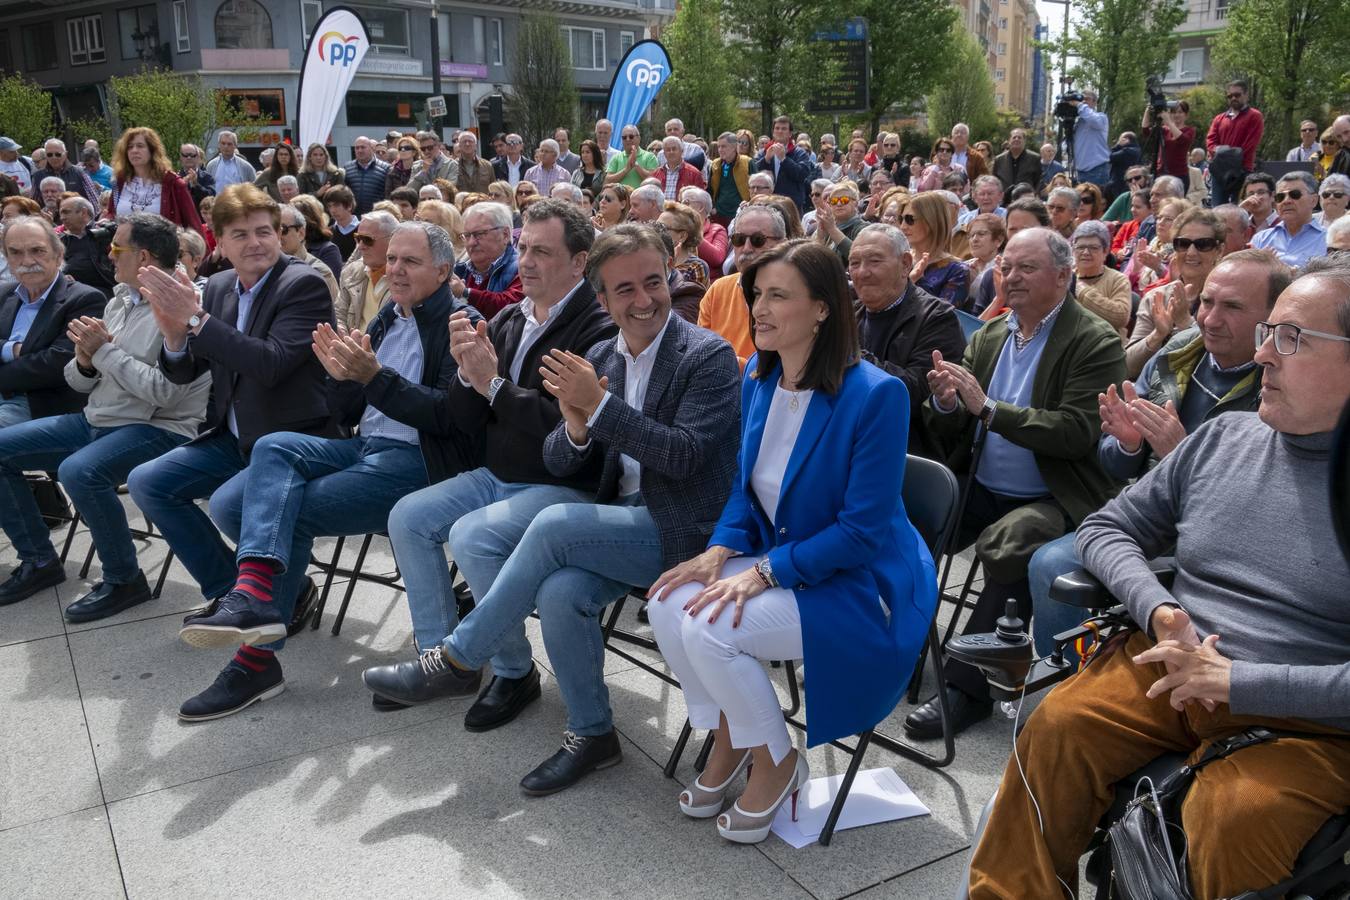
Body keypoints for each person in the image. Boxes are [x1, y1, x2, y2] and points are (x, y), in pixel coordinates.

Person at [968, 262, 1350, 900]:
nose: (1262, 353)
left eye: (1289, 338)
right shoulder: (1224, 438)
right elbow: (1104, 529)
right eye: (1269, 332)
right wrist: (1160, 610)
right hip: (1174, 661)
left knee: (1237, 816)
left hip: (1307, 712)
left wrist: (1239, 680)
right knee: (1057, 730)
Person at [362, 224, 740, 789]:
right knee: (561, 593)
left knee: (553, 523)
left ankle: (457, 658)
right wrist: (577, 426)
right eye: (625, 290)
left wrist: (600, 408)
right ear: (605, 299)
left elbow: (684, 458)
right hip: (622, 519)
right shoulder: (598, 355)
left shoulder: (705, 355)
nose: (644, 301)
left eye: (654, 283)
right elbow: (564, 460)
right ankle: (592, 733)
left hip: (686, 530)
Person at [649, 238, 937, 843]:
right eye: (756, 295)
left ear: (824, 308)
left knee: (709, 627)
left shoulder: (877, 394)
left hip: (859, 583)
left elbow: (862, 532)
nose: (758, 308)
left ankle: (777, 761)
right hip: (792, 555)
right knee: (666, 601)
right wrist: (721, 549)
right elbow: (743, 487)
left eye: (778, 295)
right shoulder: (759, 377)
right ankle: (734, 734)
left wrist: (764, 573)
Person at [179, 221, 482, 717]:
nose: (395, 269)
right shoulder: (388, 317)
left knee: (285, 512)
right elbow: (348, 409)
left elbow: (450, 418)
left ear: (444, 270)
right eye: (393, 258)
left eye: (411, 261)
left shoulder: (458, 323)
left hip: (419, 462)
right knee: (244, 485)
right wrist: (343, 378)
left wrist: (373, 377)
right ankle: (259, 590)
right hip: (365, 447)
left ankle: (256, 660)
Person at [373, 200, 615, 726]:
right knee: (408, 517)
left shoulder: (597, 330)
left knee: (473, 537)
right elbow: (463, 417)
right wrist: (466, 374)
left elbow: (569, 428)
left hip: (561, 484)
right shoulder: (510, 316)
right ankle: (441, 658)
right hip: (498, 475)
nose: (525, 261)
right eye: (523, 248)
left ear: (579, 262)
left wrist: (493, 385)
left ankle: (509, 670)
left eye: (541, 252)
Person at [123, 184, 335, 715]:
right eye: (241, 234)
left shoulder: (303, 283)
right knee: (151, 482)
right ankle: (235, 593)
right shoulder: (216, 286)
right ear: (220, 240)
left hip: (294, 439)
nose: (257, 242)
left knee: (229, 505)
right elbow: (186, 370)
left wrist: (194, 322)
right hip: (232, 435)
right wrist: (175, 335)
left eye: (266, 231)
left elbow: (270, 363)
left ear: (281, 234)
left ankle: (256, 641)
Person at [908, 228, 1126, 739]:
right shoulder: (989, 335)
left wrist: (988, 409)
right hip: (982, 483)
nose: (1012, 277)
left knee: (1014, 543)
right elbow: (954, 424)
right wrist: (944, 400)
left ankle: (968, 689)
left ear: (1064, 276)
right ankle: (889, 649)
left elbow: (1077, 432)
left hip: (1055, 493)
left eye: (1027, 268)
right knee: (904, 525)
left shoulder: (1093, 340)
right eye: (1007, 266)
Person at [1028, 249, 1285, 657]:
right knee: (1049, 565)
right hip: (1149, 518)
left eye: (1232, 307)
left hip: (1218, 545)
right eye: (1206, 301)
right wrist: (1129, 443)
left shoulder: (1281, 383)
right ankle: (1065, 682)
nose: (1210, 319)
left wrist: (1180, 456)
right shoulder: (1177, 353)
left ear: (1275, 317)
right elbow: (1113, 463)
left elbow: (1264, 508)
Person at [0, 213, 210, 615]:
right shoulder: (121, 298)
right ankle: (40, 561)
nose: (108, 256)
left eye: (116, 248)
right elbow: (80, 385)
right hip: (99, 419)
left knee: (80, 471)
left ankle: (124, 579)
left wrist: (105, 353)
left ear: (144, 256)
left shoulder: (183, 305)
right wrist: (84, 361)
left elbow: (164, 393)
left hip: (158, 428)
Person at [849, 223, 966, 457]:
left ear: (905, 264)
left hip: (904, 452)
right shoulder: (849, 314)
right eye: (854, 263)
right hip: (851, 441)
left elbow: (915, 394)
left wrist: (850, 354)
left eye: (874, 261)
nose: (862, 272)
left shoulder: (937, 318)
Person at [1125, 205, 1228, 377]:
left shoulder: (1228, 299)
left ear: (1219, 250)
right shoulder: (1156, 298)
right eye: (1183, 244)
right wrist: (1158, 335)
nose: (1191, 252)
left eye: (1203, 245)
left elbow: (1226, 361)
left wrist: (1185, 324)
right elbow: (1128, 366)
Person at [698, 205, 786, 367]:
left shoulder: (791, 295)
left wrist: (736, 365)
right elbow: (702, 349)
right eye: (738, 239)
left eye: (757, 240)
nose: (746, 248)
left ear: (782, 244)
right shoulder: (719, 289)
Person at [449, 201, 523, 318]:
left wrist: (465, 293)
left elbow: (512, 308)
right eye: (467, 235)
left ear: (505, 234)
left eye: (480, 234)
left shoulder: (523, 268)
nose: (472, 243)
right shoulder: (459, 270)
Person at [901, 191, 971, 308]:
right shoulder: (899, 259)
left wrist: (913, 284)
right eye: (901, 219)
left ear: (931, 221)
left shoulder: (957, 271)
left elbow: (942, 316)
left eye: (910, 219)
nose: (903, 226)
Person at [1205, 79, 1265, 206]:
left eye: (1237, 95)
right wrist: (1222, 152)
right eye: (1230, 96)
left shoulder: (1254, 116)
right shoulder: (1219, 118)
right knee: (1218, 211)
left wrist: (1222, 153)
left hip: (1242, 170)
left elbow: (1250, 144)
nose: (1233, 98)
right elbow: (1210, 141)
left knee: (1242, 210)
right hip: (1220, 172)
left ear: (1246, 95)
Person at [334, 210, 396, 331]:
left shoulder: (406, 278)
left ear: (391, 240)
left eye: (367, 240)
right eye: (358, 238)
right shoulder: (351, 272)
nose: (360, 246)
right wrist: (342, 333)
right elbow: (338, 313)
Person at [1251, 171, 1327, 267]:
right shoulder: (1261, 239)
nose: (1286, 201)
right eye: (1280, 197)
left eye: (1295, 194)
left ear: (1314, 200)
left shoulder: (1328, 240)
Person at [1070, 220, 1131, 338]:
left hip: (1105, 344)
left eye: (1093, 248)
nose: (1086, 252)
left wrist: (1080, 289)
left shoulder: (1118, 279)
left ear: (1105, 252)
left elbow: (1120, 317)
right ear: (1073, 250)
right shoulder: (1063, 278)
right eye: (1081, 247)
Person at [278, 204, 338, 301]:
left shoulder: (318, 273)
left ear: (301, 233)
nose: (277, 236)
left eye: (283, 230)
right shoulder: (262, 270)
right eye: (270, 230)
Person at [58, 196, 115, 297]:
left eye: (66, 212)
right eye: (61, 213)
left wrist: (112, 229)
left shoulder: (105, 234)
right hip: (70, 294)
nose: (62, 217)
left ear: (83, 212)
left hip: (107, 293)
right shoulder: (59, 240)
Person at [753, 116, 813, 212]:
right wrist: (766, 159)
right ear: (773, 132)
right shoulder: (763, 152)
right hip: (766, 203)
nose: (780, 131)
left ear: (790, 134)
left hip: (791, 205)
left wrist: (784, 159)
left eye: (784, 129)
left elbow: (802, 174)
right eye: (777, 128)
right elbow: (753, 172)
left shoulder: (799, 153)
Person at [30, 139, 101, 210]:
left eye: (58, 154)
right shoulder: (37, 176)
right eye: (49, 155)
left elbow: (94, 202)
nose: (54, 157)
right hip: (48, 218)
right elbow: (33, 205)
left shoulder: (79, 173)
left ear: (65, 154)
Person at [660, 201, 712, 288]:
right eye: (655, 224)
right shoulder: (652, 258)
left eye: (663, 227)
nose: (655, 230)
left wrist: (670, 270)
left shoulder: (696, 266)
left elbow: (690, 300)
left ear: (682, 236)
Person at [1142, 100, 1195, 180]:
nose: (1176, 115)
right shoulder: (1164, 129)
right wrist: (1147, 111)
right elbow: (1146, 132)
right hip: (1161, 173)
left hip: (1179, 174)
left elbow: (1181, 139)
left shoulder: (1189, 130)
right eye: (1173, 112)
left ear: (1186, 115)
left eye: (1180, 112)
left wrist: (1169, 122)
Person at [993, 130, 1042, 205]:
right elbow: (995, 180)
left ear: (1024, 141)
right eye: (1014, 137)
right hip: (1004, 201)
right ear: (1009, 141)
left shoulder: (1034, 158)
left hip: (1026, 201)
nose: (1016, 139)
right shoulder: (999, 159)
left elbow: (1039, 179)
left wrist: (1035, 194)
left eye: (1019, 137)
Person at [344, 136, 390, 215]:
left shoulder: (385, 168)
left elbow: (388, 194)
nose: (360, 150)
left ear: (372, 149)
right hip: (354, 217)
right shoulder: (347, 168)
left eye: (363, 147)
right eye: (357, 148)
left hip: (377, 217)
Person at [656, 137, 705, 201]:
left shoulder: (694, 174)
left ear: (681, 151)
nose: (671, 152)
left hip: (683, 210)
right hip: (662, 210)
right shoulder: (656, 174)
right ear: (664, 153)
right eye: (668, 150)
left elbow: (700, 200)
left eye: (674, 149)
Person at [964, 213, 1005, 282]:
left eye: (981, 234)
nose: (974, 239)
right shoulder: (963, 268)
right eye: (971, 235)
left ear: (999, 240)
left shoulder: (1006, 269)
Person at [324, 184, 360, 260]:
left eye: (336, 205)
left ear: (349, 206)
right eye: (329, 206)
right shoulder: (327, 232)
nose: (332, 210)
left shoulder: (363, 231)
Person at [176, 143, 215, 210]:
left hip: (201, 218)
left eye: (192, 155)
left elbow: (210, 198)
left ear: (198, 157)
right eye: (185, 155)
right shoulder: (176, 177)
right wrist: (181, 185)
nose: (189, 158)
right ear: (181, 158)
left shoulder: (207, 177)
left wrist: (196, 185)